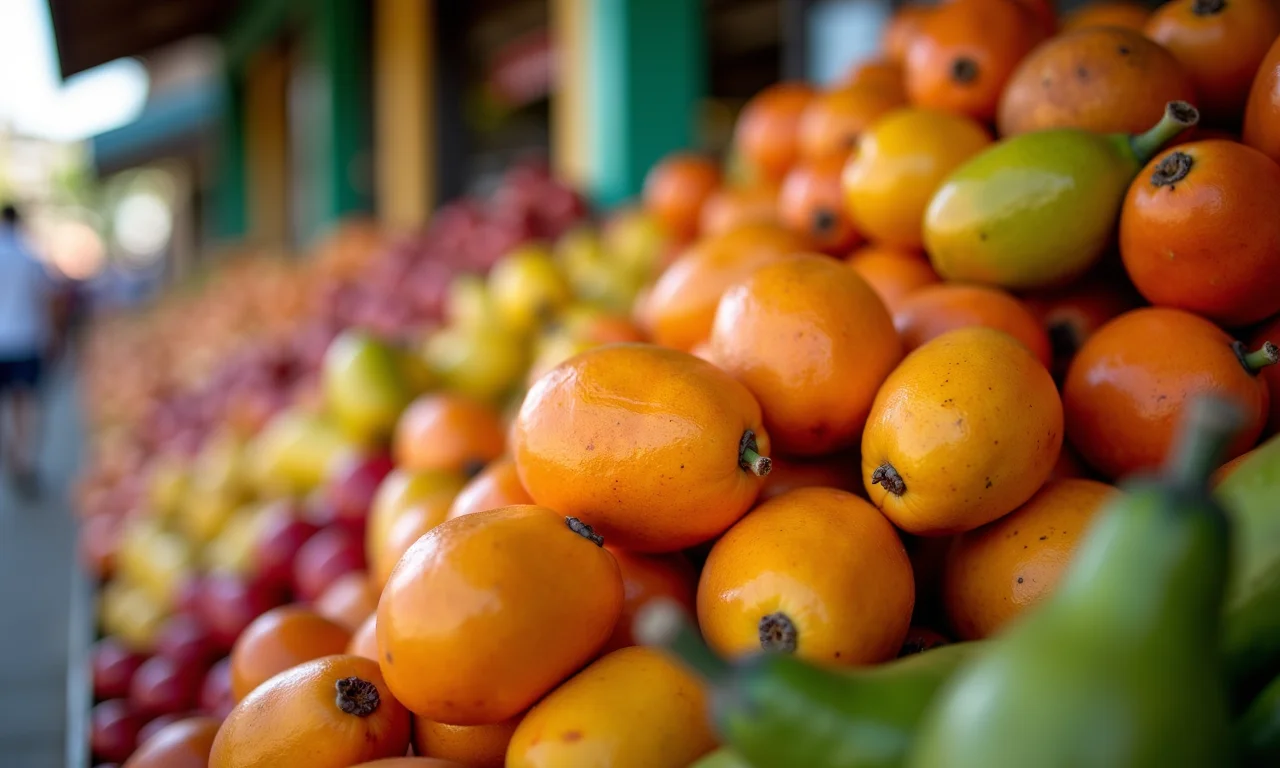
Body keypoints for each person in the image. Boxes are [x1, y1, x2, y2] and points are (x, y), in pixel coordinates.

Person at [0, 203, 54, 496]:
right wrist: (52, 338)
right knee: (25, 403)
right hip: (24, 339)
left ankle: (12, 455)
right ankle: (24, 458)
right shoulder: (29, 256)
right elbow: (44, 299)